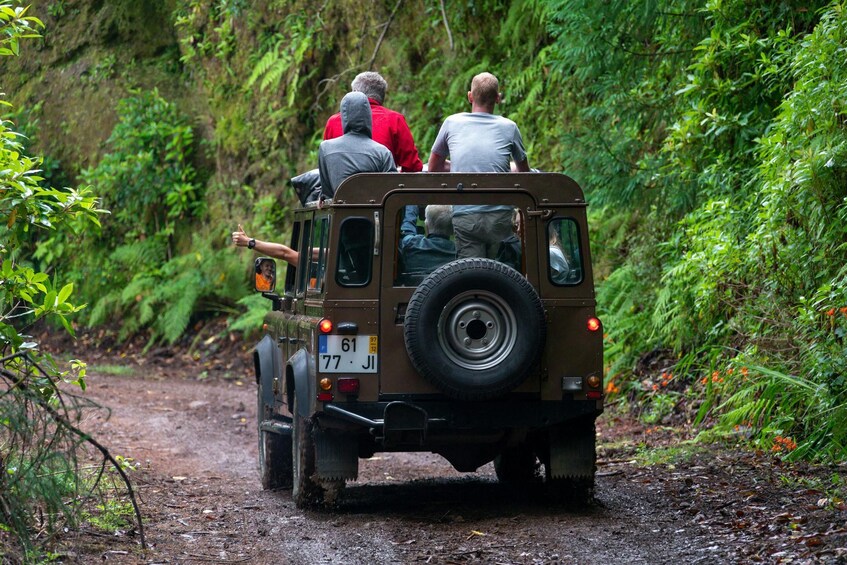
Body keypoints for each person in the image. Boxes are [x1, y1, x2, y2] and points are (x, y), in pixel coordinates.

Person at [427, 72, 530, 259]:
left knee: (472, 274)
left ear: (470, 96)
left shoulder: (452, 123)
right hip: (500, 218)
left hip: (466, 216)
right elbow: (524, 174)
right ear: (498, 98)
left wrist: (459, 166)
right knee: (497, 272)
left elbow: (434, 167)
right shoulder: (510, 127)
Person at [324, 71, 423, 172]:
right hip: (385, 187)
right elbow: (412, 167)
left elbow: (326, 165)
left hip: (341, 187)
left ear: (354, 94)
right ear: (382, 97)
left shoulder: (333, 122)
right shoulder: (395, 120)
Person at [318, 91, 396, 198]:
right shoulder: (383, 152)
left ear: (344, 116)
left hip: (341, 212)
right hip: (375, 212)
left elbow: (327, 193)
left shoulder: (326, 148)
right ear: (368, 116)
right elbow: (392, 193)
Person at [398, 205, 456, 277]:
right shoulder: (459, 252)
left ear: (426, 226)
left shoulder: (411, 243)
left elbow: (406, 229)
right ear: (452, 229)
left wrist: (411, 205)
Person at [232, 224, 299, 265]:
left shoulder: (307, 261)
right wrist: (248, 242)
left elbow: (284, 253)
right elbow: (284, 253)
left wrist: (249, 242)